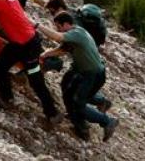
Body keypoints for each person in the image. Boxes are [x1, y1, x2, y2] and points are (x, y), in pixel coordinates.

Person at [39, 12, 120, 141]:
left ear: (66, 24)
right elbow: (62, 50)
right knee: (69, 93)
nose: (58, 29)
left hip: (92, 75)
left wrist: (38, 25)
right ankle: (80, 125)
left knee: (78, 104)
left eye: (59, 26)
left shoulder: (77, 33)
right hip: (87, 73)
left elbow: (57, 37)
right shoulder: (76, 34)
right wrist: (46, 54)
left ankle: (107, 121)